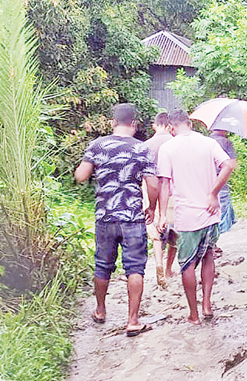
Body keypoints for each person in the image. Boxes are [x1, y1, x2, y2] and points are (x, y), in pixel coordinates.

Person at [75, 103, 158, 337]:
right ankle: (132, 321)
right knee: (135, 267)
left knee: (103, 265)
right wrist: (150, 206)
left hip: (105, 216)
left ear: (113, 122)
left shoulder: (97, 145)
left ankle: (100, 311)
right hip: (132, 216)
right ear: (134, 123)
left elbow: (81, 176)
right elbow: (153, 184)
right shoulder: (142, 149)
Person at [156, 110, 236, 325]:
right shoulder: (208, 143)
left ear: (171, 127)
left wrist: (162, 214)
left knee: (186, 264)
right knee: (208, 254)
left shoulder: (168, 148)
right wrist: (213, 193)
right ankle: (207, 305)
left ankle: (194, 314)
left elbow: (164, 183)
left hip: (187, 215)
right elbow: (228, 165)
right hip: (210, 212)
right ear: (189, 124)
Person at [142, 112, 177, 286]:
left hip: (151, 192)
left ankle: (159, 265)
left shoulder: (146, 145)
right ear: (170, 126)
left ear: (155, 125)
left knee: (157, 234)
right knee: (175, 232)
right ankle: (170, 268)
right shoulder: (176, 144)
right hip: (173, 191)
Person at [209, 129, 237, 237]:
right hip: (221, 177)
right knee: (223, 201)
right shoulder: (226, 142)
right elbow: (232, 164)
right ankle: (223, 230)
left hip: (208, 177)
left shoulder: (207, 140)